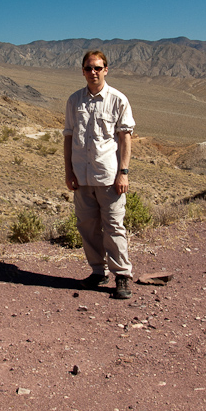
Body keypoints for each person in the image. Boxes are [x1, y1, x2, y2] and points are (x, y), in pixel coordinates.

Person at [63, 49, 136, 299]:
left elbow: (125, 138)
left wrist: (123, 173)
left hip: (109, 176)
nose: (93, 72)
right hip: (82, 176)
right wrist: (68, 171)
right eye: (88, 68)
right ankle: (98, 272)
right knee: (88, 227)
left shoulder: (118, 99)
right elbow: (68, 137)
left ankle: (122, 275)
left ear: (106, 70)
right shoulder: (74, 101)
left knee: (114, 226)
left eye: (97, 67)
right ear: (82, 71)